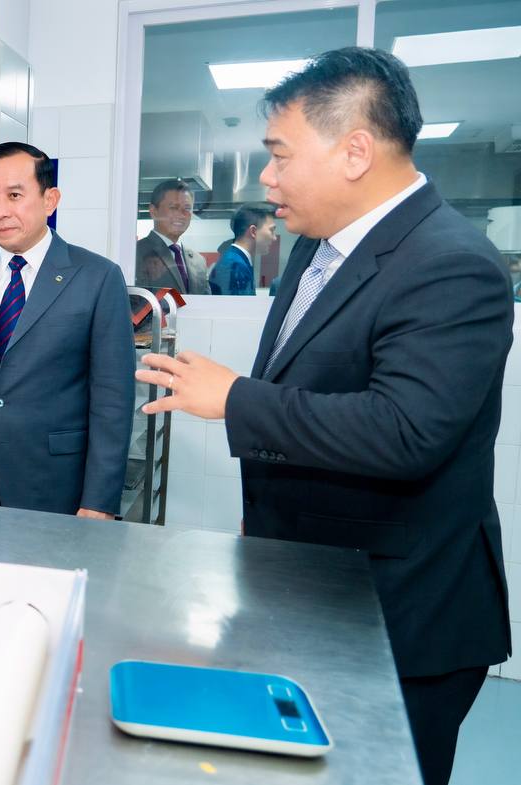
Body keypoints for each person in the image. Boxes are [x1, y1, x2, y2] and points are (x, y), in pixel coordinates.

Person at [137, 47, 511, 785]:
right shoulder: (315, 245)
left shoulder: (452, 262)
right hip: (305, 589)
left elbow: (405, 430)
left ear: (355, 152)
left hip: (400, 615)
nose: (266, 177)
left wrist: (235, 399)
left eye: (280, 155)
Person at [0, 142, 135, 517]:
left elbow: (112, 401)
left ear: (50, 200)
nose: (0, 211)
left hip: (54, 487)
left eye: (15, 195)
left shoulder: (98, 278)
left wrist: (98, 502)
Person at [135, 179, 210, 295]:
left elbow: (208, 301)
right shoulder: (136, 254)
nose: (181, 214)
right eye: (174, 207)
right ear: (153, 211)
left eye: (187, 208)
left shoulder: (198, 261)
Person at [209, 203, 277, 295]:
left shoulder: (237, 261)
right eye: (271, 230)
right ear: (253, 231)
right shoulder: (234, 265)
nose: (274, 238)